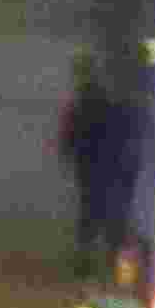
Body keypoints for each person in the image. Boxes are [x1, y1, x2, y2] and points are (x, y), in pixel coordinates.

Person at [58, 53, 146, 267]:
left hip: (98, 165)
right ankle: (108, 259)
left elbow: (72, 132)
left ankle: (91, 259)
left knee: (95, 211)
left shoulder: (89, 103)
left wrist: (69, 150)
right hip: (111, 165)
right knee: (112, 213)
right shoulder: (112, 104)